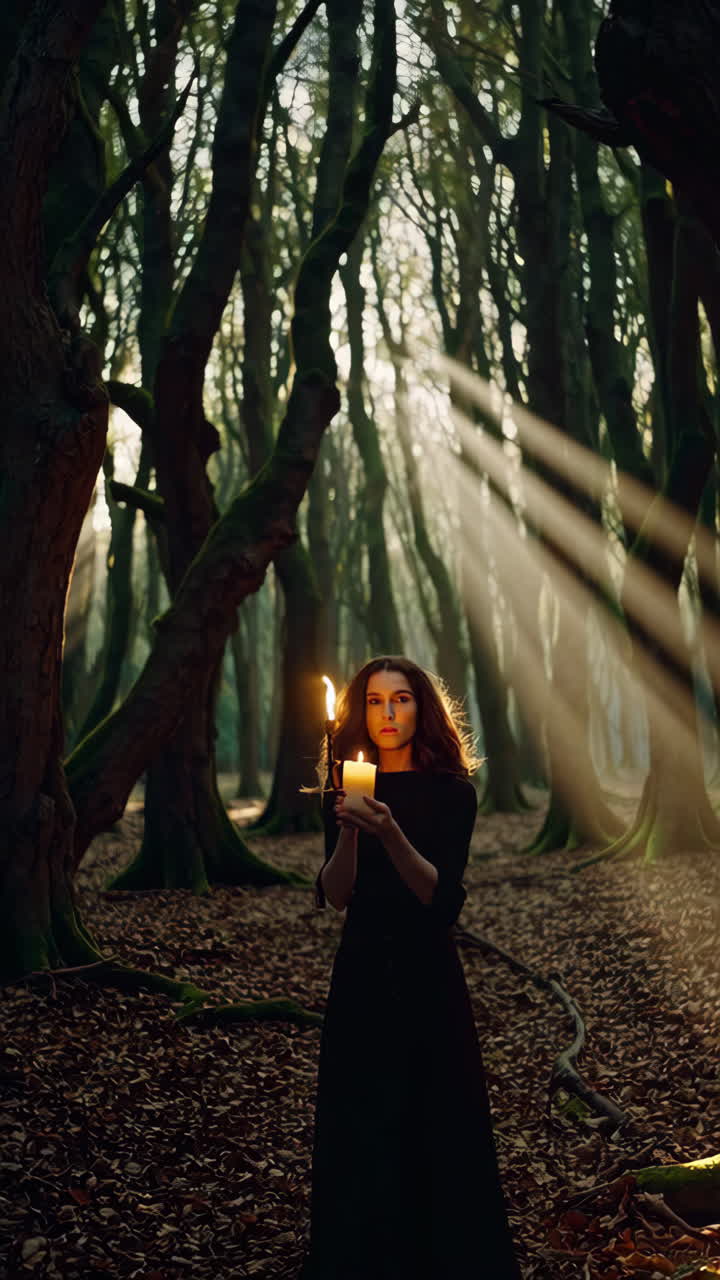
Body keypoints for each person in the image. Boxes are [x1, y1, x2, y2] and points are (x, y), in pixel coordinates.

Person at [298, 656, 522, 1280]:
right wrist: (348, 831)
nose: (387, 713)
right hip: (363, 972)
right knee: (364, 1121)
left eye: (400, 700)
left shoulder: (454, 793)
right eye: (374, 701)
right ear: (359, 711)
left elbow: (441, 898)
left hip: (428, 978)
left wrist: (391, 833)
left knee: (436, 1121)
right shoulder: (344, 784)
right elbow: (337, 894)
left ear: (422, 708)